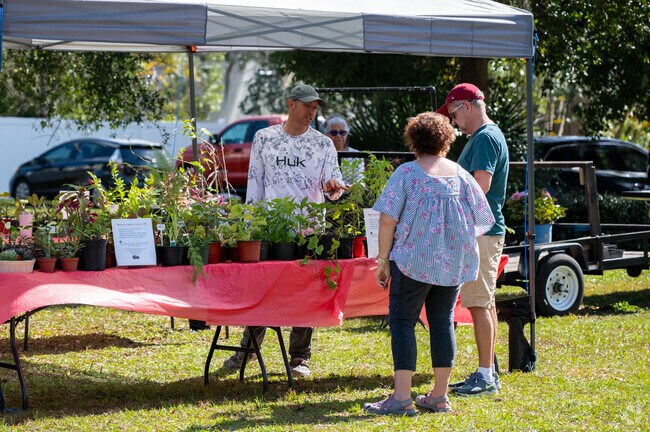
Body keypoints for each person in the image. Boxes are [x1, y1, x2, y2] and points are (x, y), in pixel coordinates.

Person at [363, 112, 495, 416]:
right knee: (442, 322)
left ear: (414, 140)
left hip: (412, 261)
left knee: (401, 322)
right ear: (446, 140)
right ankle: (438, 395)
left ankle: (401, 398)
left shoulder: (407, 173)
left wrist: (383, 260)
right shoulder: (461, 175)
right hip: (452, 264)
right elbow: (482, 218)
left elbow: (386, 218)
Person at [222, 84, 348, 378]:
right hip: (272, 229)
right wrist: (253, 224)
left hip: (310, 230)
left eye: (315, 108)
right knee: (263, 287)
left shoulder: (323, 144)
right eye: (307, 106)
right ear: (291, 104)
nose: (311, 113)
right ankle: (248, 350)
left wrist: (333, 189)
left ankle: (300, 358)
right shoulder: (265, 138)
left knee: (305, 292)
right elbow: (255, 182)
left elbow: (334, 184)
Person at [436, 83, 509, 396]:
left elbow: (479, 186)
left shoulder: (484, 137)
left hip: (481, 233)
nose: (453, 123)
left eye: (453, 115)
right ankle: (487, 372)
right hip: (484, 231)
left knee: (478, 304)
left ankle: (485, 376)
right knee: (485, 302)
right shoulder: (487, 136)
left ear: (466, 106)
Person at [324, 115, 364, 185]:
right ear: (327, 134)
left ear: (347, 134)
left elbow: (360, 182)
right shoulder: (320, 154)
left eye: (342, 132)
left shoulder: (357, 155)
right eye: (334, 132)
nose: (338, 136)